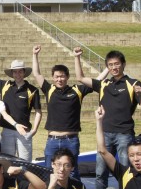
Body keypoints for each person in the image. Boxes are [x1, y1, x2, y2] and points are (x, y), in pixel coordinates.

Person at [76, 48, 141, 189]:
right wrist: (77, 57)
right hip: (105, 134)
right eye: (110, 65)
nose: (114, 67)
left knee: (124, 171)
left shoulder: (133, 83)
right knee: (100, 172)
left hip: (124, 134)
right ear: (107, 67)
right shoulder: (104, 84)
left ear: (123, 64)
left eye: (117, 64)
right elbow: (80, 78)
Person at [32, 45, 106, 178]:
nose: (59, 79)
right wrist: (35, 55)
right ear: (53, 78)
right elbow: (36, 74)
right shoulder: (49, 90)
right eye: (56, 77)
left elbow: (98, 81)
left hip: (71, 140)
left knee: (72, 173)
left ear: (67, 77)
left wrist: (108, 68)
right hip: (52, 140)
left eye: (62, 76)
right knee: (50, 172)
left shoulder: (77, 90)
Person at [0, 48, 41, 161]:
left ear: (24, 72)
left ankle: (23, 180)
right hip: (7, 131)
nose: (17, 74)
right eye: (15, 71)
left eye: (20, 71)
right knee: (7, 163)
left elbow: (38, 111)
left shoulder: (32, 90)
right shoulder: (5, 85)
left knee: (25, 164)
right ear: (12, 73)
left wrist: (34, 130)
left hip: (24, 132)